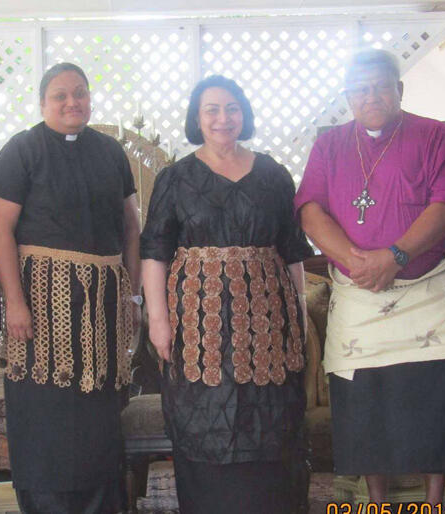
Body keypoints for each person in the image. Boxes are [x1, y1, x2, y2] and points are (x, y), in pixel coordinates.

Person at [296, 49, 445, 504]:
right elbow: (311, 210)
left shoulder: (433, 136)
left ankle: (433, 500)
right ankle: (377, 501)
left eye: (379, 86)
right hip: (360, 291)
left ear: (399, 90)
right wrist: (356, 261)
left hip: (429, 288)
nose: (370, 95)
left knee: (434, 396)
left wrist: (394, 255)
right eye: (359, 89)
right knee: (365, 403)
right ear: (348, 97)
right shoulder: (330, 144)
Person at [140, 74, 312, 514]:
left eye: (231, 108)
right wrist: (158, 320)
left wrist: (301, 316)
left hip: (269, 324)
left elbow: (292, 251)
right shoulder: (174, 178)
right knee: (203, 421)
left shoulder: (272, 174)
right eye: (211, 110)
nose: (222, 118)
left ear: (244, 114)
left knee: (272, 424)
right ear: (197, 118)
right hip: (198, 327)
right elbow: (155, 253)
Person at [0, 62, 141, 514]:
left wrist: (133, 296)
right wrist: (14, 303)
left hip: (105, 307)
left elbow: (131, 227)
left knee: (98, 416)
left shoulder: (111, 152)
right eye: (60, 95)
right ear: (42, 103)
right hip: (41, 309)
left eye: (80, 93)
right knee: (45, 415)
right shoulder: (20, 151)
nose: (72, 102)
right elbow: (0, 231)